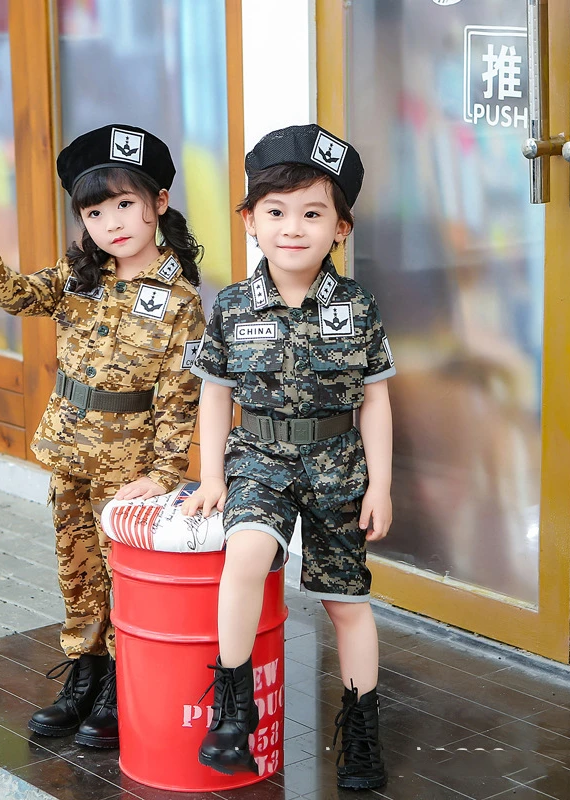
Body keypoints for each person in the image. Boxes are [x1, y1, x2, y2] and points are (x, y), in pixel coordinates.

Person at [0, 124, 206, 749]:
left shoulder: (179, 300)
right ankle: (87, 672)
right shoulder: (78, 277)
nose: (112, 222)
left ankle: (124, 682)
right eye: (95, 211)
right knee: (77, 570)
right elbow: (18, 294)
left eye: (126, 204)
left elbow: (178, 398)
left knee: (122, 574)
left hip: (128, 466)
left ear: (159, 203)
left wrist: (162, 476)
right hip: (68, 453)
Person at [182, 124, 394, 790]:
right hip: (259, 459)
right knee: (244, 554)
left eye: (312, 213)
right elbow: (215, 397)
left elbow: (377, 403)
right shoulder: (234, 305)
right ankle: (231, 711)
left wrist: (380, 487)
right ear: (250, 221)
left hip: (338, 467)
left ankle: (360, 731)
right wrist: (213, 474)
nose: (292, 227)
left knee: (346, 603)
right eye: (275, 212)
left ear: (340, 228)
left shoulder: (357, 308)